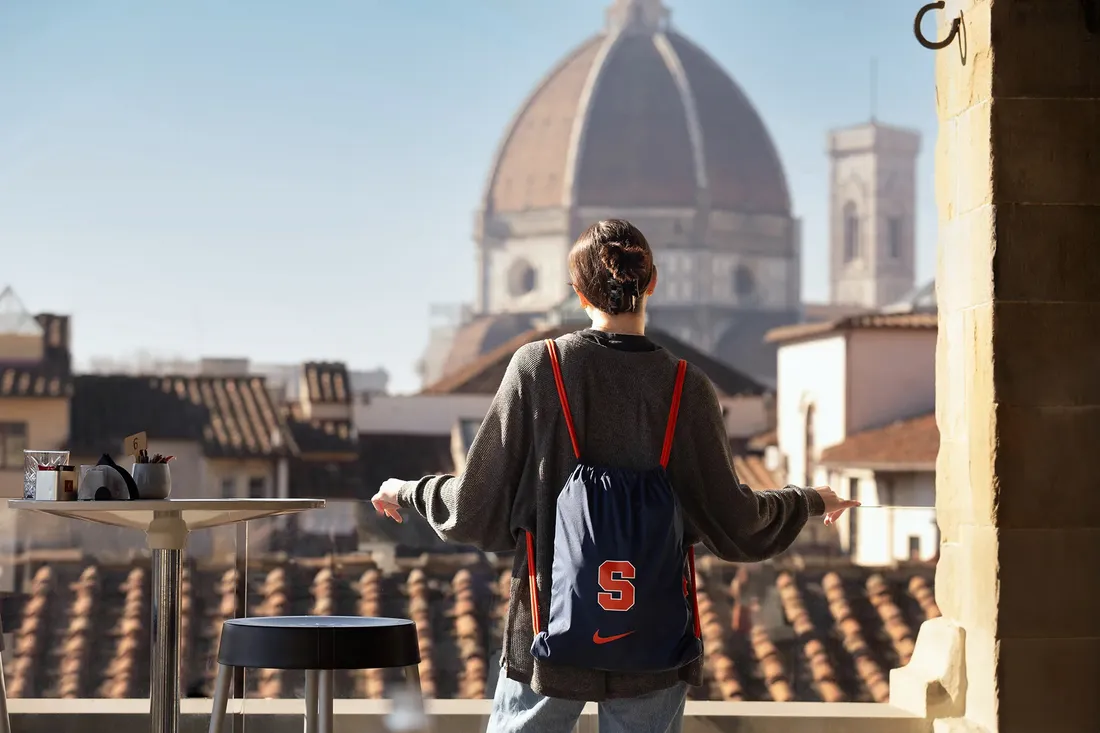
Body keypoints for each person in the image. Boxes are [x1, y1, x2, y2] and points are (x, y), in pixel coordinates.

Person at [371, 219, 859, 733]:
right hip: (653, 639)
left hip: (547, 633)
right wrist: (806, 501)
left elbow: (473, 507)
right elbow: (735, 521)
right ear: (651, 282)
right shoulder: (687, 387)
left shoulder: (537, 368)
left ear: (577, 291)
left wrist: (406, 492)